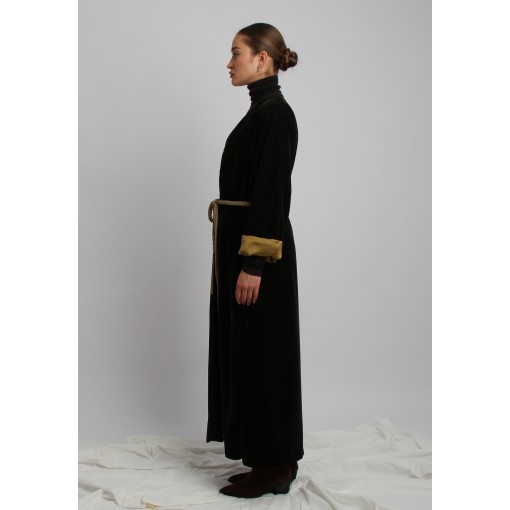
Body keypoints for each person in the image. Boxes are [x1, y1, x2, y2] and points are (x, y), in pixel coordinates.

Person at [207, 22, 303, 499]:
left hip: (259, 254)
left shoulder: (275, 115)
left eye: (236, 53)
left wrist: (254, 264)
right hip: (243, 248)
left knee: (265, 356)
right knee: (250, 352)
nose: (229, 64)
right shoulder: (260, 111)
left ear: (262, 58)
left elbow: (272, 193)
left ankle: (276, 465)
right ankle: (266, 460)